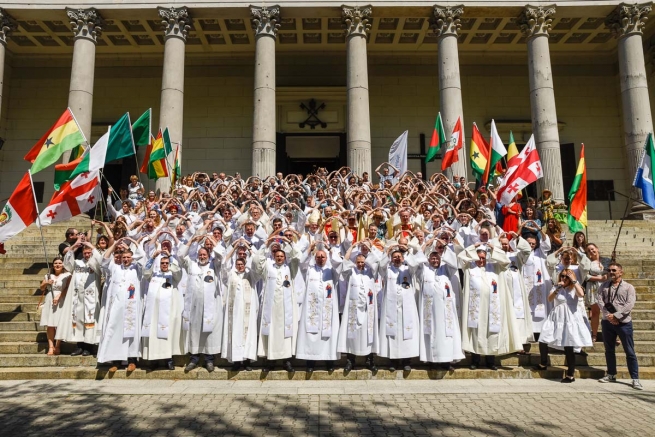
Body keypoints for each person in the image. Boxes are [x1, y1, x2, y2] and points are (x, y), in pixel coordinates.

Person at [458, 242, 523, 370]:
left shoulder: (495, 267)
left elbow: (506, 261)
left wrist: (494, 248)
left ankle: (491, 361)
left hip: (493, 308)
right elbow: (460, 257)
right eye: (478, 258)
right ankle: (475, 361)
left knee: (492, 333)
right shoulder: (469, 268)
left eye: (483, 258)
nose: (481, 261)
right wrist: (473, 247)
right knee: (476, 333)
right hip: (476, 308)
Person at [406, 249, 464, 371]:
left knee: (447, 335)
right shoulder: (423, 271)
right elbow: (413, 264)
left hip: (445, 311)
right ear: (428, 259)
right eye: (432, 258)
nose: (435, 260)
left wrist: (443, 248)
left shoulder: (446, 270)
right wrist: (425, 247)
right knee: (431, 335)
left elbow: (454, 263)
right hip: (430, 312)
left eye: (437, 258)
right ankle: (432, 361)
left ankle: (446, 361)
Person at [178, 236, 225, 372]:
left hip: (210, 306)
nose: (202, 256)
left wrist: (211, 240)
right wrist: (191, 241)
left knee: (208, 333)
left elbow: (222, 255)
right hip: (194, 307)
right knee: (195, 332)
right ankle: (194, 359)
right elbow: (180, 255)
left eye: (204, 254)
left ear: (208, 255)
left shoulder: (214, 265)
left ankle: (209, 360)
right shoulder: (191, 264)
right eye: (200, 254)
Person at [253, 239, 301, 373]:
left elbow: (297, 257)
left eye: (282, 256)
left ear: (285, 258)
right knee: (271, 333)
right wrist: (266, 245)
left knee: (286, 334)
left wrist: (289, 242)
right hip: (271, 309)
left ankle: (287, 361)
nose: (279, 258)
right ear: (273, 256)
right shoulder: (268, 268)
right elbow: (257, 261)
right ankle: (269, 362)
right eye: (277, 256)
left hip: (286, 309)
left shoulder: (290, 268)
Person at [98, 239, 144, 372]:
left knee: (131, 334)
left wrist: (133, 243)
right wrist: (114, 245)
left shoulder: (137, 268)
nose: (125, 259)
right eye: (123, 257)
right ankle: (115, 361)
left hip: (131, 307)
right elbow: (105, 259)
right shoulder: (115, 267)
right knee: (115, 332)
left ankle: (132, 360)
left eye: (128, 257)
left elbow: (142, 257)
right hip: (117, 307)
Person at [539, 269, 592, 382]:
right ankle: (543, 363)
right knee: (543, 338)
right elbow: (550, 299)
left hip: (570, 318)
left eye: (566, 277)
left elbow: (581, 294)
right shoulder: (556, 287)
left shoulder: (575, 286)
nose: (563, 278)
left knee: (569, 345)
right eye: (562, 276)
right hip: (556, 317)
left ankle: (570, 374)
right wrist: (558, 288)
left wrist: (574, 281)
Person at [597, 262, 642, 390]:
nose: (611, 272)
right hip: (607, 322)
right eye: (609, 270)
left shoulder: (628, 287)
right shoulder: (604, 286)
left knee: (630, 351)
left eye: (614, 270)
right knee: (609, 350)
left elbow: (630, 304)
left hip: (624, 322)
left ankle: (635, 378)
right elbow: (600, 301)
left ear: (620, 272)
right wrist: (609, 316)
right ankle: (611, 374)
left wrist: (616, 315)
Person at [336, 244, 381, 372]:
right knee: (352, 335)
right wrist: (352, 247)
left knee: (369, 334)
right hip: (353, 309)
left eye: (363, 262)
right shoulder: (351, 272)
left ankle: (369, 361)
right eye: (359, 262)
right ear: (355, 262)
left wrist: (370, 247)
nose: (361, 264)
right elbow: (345, 261)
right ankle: (350, 361)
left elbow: (378, 259)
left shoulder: (372, 272)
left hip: (368, 309)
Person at [296, 248, 341, 373]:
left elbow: (339, 263)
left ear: (327, 259)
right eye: (318, 257)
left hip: (328, 309)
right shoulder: (309, 270)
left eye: (323, 257)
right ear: (314, 258)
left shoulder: (332, 271)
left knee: (328, 336)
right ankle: (310, 362)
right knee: (311, 335)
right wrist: (310, 249)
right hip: (313, 309)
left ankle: (329, 361)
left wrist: (331, 250)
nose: (321, 259)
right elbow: (301, 262)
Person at [378, 247, 420, 372]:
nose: (397, 259)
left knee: (406, 332)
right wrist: (387, 252)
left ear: (403, 258)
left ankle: (407, 361)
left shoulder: (408, 269)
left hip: (407, 307)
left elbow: (415, 265)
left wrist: (406, 252)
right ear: (391, 259)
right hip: (391, 307)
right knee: (393, 333)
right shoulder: (388, 270)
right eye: (394, 257)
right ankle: (393, 360)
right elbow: (381, 266)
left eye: (399, 257)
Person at [57, 241, 102, 357]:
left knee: (90, 320)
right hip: (78, 298)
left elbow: (101, 260)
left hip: (91, 298)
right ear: (82, 253)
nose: (87, 255)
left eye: (89, 253)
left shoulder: (95, 263)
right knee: (78, 320)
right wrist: (72, 247)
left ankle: (89, 346)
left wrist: (92, 246)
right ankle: (79, 346)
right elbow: (67, 264)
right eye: (85, 253)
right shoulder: (77, 263)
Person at [142, 251, 184, 370]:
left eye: (166, 263)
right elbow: (145, 272)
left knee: (167, 335)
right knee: (153, 335)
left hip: (168, 312)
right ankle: (153, 360)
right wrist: (152, 257)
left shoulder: (174, 276)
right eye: (162, 263)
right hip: (154, 312)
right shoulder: (154, 275)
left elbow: (177, 271)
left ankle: (168, 359)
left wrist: (170, 257)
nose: (165, 265)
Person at [221, 256, 259, 371]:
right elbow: (223, 266)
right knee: (235, 334)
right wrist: (234, 248)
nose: (240, 266)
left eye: (242, 264)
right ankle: (236, 361)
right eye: (237, 264)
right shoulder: (231, 275)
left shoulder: (251, 275)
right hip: (235, 313)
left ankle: (247, 361)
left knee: (247, 335)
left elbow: (257, 265)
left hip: (248, 312)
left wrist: (248, 248)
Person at [39, 257, 71, 356]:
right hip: (49, 299)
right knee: (50, 325)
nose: (57, 265)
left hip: (61, 299)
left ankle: (58, 345)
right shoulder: (48, 275)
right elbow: (41, 288)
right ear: (53, 265)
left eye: (60, 263)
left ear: (63, 265)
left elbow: (67, 288)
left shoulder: (67, 275)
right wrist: (46, 283)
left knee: (59, 323)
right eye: (55, 263)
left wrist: (59, 296)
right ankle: (51, 346)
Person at [584, 243, 610, 342]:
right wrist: (599, 278)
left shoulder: (606, 260)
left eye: (592, 249)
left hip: (606, 288)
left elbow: (611, 272)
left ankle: (612, 335)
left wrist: (613, 260)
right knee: (595, 313)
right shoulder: (587, 262)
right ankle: (594, 334)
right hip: (593, 288)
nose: (591, 251)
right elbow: (586, 276)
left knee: (608, 312)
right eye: (589, 250)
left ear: (597, 249)